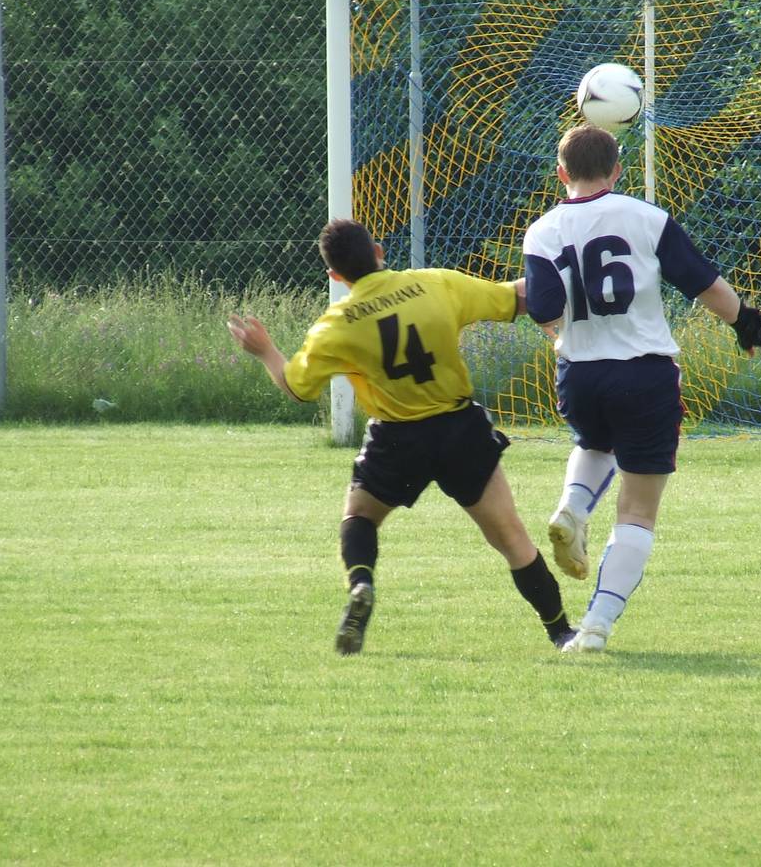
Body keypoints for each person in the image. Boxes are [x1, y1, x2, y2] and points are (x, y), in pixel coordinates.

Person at [227, 218, 576, 654]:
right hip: (458, 430)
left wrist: (266, 351)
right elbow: (516, 298)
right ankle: (562, 632)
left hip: (397, 439)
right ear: (379, 251)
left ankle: (361, 583)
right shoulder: (435, 285)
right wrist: (565, 277)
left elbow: (297, 388)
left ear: (335, 275)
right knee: (510, 539)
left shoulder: (335, 327)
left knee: (360, 517)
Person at [523, 125, 761, 653]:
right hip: (644, 374)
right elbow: (703, 284)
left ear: (561, 173)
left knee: (595, 444)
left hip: (580, 375)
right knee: (637, 511)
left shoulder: (542, 231)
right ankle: (596, 625)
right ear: (618, 170)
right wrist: (749, 326)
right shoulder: (646, 217)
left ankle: (573, 506)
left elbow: (544, 307)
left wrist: (560, 334)